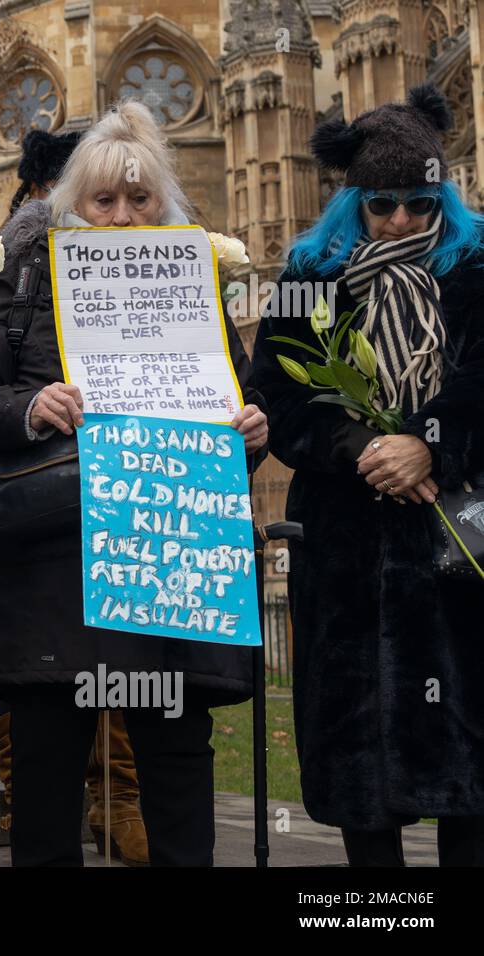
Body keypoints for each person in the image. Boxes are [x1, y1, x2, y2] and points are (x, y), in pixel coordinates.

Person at [0, 101, 269, 867]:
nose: (124, 215)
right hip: (53, 576)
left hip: (169, 566)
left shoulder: (193, 293)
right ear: (74, 205)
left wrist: (251, 436)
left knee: (175, 769)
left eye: (140, 200)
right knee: (45, 772)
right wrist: (30, 406)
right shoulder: (24, 283)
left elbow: (229, 415)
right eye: (105, 200)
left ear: (163, 204)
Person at [251, 84, 484, 866]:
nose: (402, 222)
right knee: (359, 768)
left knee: (470, 763)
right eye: (382, 203)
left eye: (421, 203)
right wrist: (361, 448)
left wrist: (429, 441)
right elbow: (281, 399)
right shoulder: (309, 279)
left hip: (459, 550)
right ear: (354, 200)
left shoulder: (475, 272)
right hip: (347, 551)